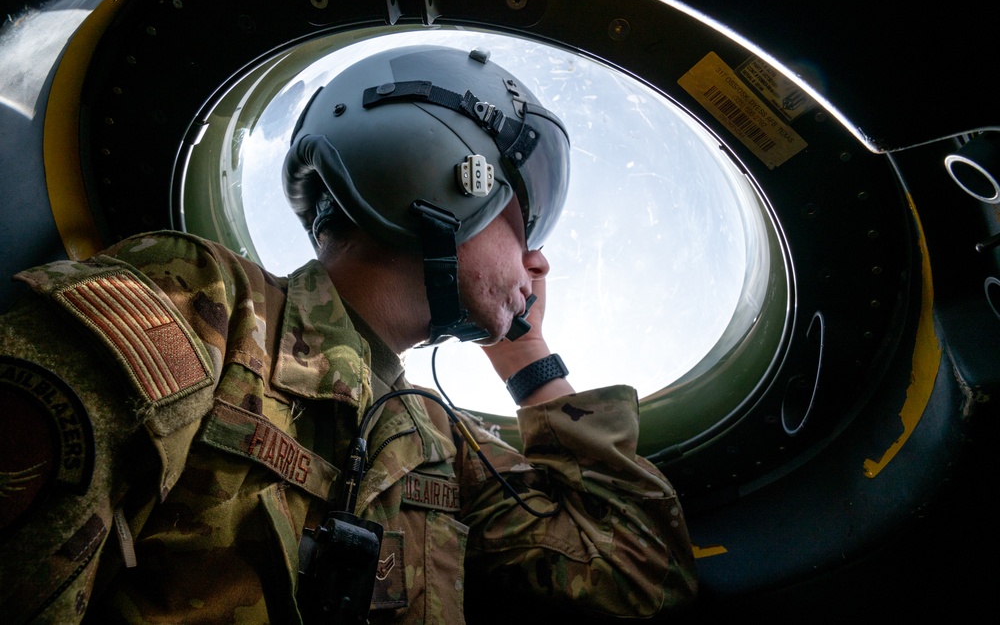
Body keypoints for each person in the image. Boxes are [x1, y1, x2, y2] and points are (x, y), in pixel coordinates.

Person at [0, 44, 697, 624]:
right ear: (450, 171)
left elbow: (638, 575)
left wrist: (526, 356)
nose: (538, 261)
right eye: (525, 220)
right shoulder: (204, 300)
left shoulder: (438, 441)